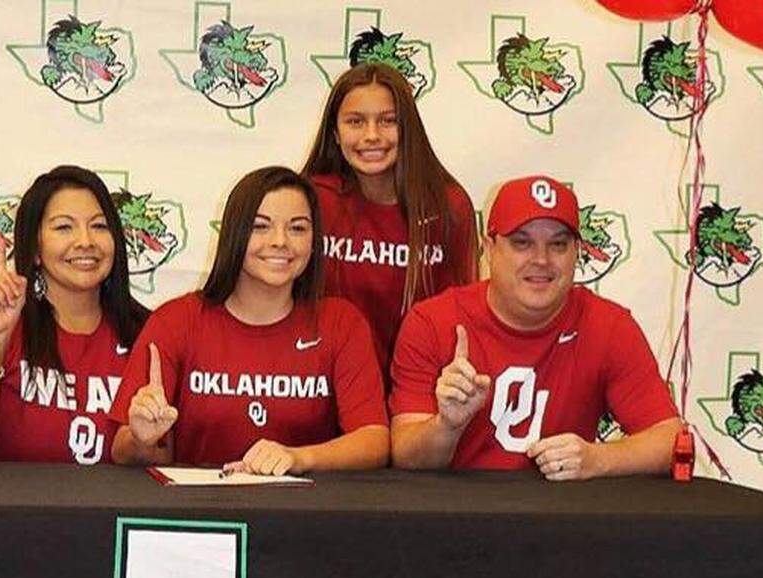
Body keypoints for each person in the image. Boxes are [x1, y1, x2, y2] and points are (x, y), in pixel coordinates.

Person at [389, 175, 681, 479]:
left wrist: (598, 459)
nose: (541, 260)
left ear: (576, 252)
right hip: (456, 517)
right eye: (522, 243)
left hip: (561, 518)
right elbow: (406, 456)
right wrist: (447, 425)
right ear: (489, 248)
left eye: (558, 244)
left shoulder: (608, 326)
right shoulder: (433, 322)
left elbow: (671, 440)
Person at [110, 166, 388, 475]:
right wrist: (142, 439)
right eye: (260, 226)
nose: (280, 241)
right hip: (196, 513)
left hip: (305, 515)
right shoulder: (176, 320)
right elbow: (122, 448)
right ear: (234, 232)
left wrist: (298, 458)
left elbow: (373, 440)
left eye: (297, 228)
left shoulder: (340, 322)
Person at [0, 165, 147, 464]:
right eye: (64, 227)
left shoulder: (149, 332)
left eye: (99, 226)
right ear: (35, 247)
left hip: (104, 510)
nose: (85, 241)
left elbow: (159, 458)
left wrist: (145, 438)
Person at [302, 62, 479, 375]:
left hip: (417, 389)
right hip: (324, 385)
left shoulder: (448, 205)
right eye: (355, 122)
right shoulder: (312, 199)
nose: (371, 135)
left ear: (408, 129)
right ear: (335, 132)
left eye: (388, 121)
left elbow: (463, 312)